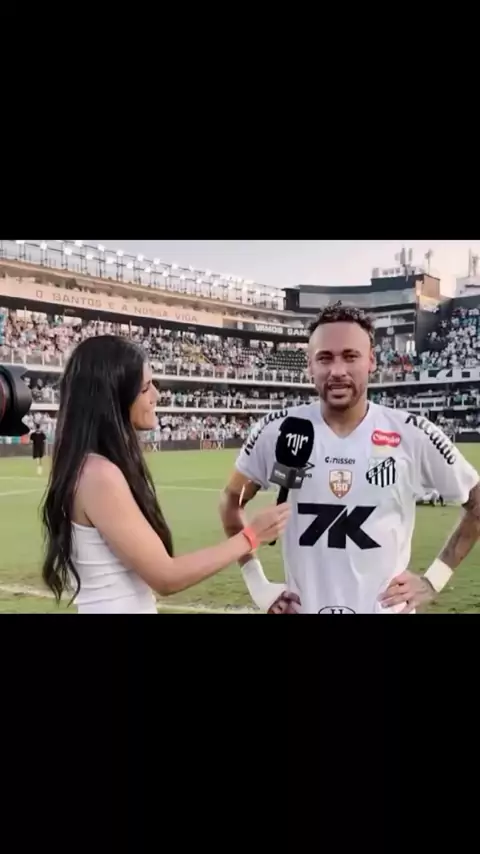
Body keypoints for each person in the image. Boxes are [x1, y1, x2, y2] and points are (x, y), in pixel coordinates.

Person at [219, 302, 480, 614]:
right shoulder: (277, 431)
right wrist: (257, 583)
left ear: (371, 361)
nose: (337, 371)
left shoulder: (413, 434)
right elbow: (231, 501)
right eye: (325, 358)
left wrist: (433, 580)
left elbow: (477, 504)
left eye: (350, 356)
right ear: (309, 365)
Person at [41, 336, 289, 614]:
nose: (156, 395)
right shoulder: (98, 475)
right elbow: (166, 577)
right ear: (115, 397)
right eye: (145, 387)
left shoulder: (93, 467)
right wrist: (252, 535)